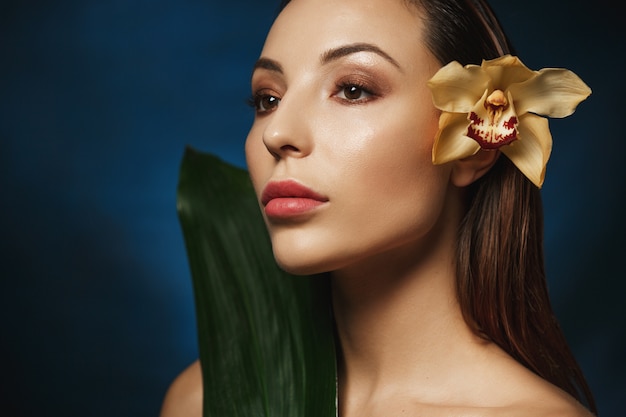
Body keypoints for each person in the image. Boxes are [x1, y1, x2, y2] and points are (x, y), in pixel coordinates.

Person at [160, 0, 595, 415]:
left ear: (476, 147)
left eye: (353, 90)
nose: (277, 133)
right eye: (267, 99)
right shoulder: (202, 402)